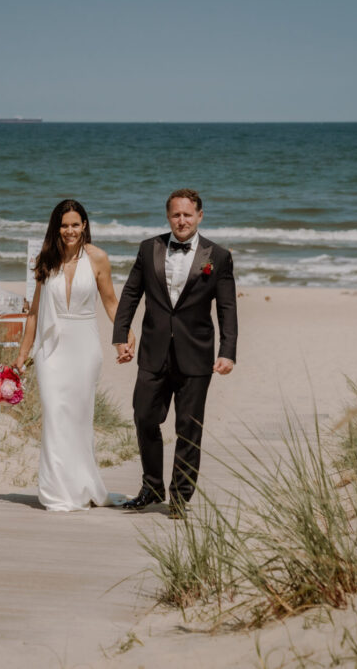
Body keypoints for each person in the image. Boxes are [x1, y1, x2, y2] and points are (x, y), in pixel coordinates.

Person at [112, 188, 237, 519]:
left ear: (199, 216)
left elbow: (227, 308)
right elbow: (131, 293)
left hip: (196, 354)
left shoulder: (218, 256)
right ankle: (152, 487)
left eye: (187, 214)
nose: (182, 220)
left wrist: (228, 351)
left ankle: (180, 497)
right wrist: (120, 335)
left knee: (188, 428)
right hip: (153, 351)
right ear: (168, 216)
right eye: (176, 215)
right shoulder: (148, 248)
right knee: (144, 416)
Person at [13, 199, 134, 512]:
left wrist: (124, 336)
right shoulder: (45, 260)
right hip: (50, 348)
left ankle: (81, 487)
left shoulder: (98, 258)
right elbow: (34, 311)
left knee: (79, 418)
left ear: (84, 226)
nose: (70, 231)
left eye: (75, 225)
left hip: (84, 346)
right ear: (57, 228)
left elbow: (110, 302)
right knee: (55, 414)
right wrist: (23, 353)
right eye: (64, 225)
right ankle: (56, 493)